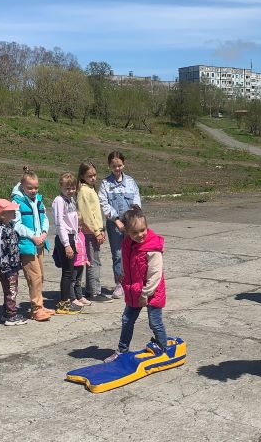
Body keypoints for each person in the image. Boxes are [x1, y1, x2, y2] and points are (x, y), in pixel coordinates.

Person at [104, 205, 168, 363]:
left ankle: (162, 345)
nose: (140, 235)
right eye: (135, 232)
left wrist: (145, 294)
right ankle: (122, 350)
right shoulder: (128, 244)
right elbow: (129, 264)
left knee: (155, 322)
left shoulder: (152, 248)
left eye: (143, 230)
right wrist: (124, 277)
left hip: (151, 290)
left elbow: (155, 274)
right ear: (126, 231)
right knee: (127, 320)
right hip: (134, 289)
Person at [11, 166, 54, 321]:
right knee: (34, 277)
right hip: (27, 245)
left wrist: (43, 232)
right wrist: (32, 236)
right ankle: (36, 309)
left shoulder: (38, 200)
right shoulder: (17, 202)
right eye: (30, 188)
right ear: (22, 186)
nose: (34, 190)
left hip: (40, 243)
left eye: (36, 187)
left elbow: (45, 218)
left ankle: (40, 305)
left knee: (40, 276)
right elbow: (16, 225)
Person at [98, 151, 142, 299]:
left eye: (119, 165)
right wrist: (116, 220)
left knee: (133, 252)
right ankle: (120, 283)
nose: (117, 169)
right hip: (114, 225)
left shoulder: (130, 182)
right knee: (117, 254)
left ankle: (134, 281)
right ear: (109, 166)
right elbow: (103, 203)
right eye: (114, 166)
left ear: (123, 164)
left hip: (131, 224)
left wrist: (133, 218)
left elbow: (136, 201)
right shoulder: (105, 184)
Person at [52, 172, 90, 315]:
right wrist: (67, 244)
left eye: (73, 188)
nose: (70, 191)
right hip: (64, 239)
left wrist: (74, 241)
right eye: (67, 188)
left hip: (71, 238)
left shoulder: (70, 200)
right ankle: (63, 303)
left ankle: (66, 300)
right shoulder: (59, 201)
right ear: (61, 186)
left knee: (70, 271)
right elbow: (60, 223)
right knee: (67, 273)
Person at [77, 161, 111, 303]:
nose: (93, 178)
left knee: (95, 260)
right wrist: (96, 231)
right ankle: (94, 292)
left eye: (94, 175)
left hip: (96, 230)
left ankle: (92, 289)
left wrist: (101, 229)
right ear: (82, 176)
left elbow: (96, 213)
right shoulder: (84, 191)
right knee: (93, 261)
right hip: (89, 232)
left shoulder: (90, 189)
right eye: (89, 176)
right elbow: (87, 215)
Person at [0, 198, 28, 326]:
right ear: (2, 214)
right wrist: (4, 267)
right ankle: (11, 315)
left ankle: (6, 312)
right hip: (7, 268)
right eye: (11, 210)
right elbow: (0, 250)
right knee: (11, 290)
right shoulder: (0, 230)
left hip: (14, 266)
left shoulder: (9, 226)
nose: (14, 212)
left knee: (12, 290)